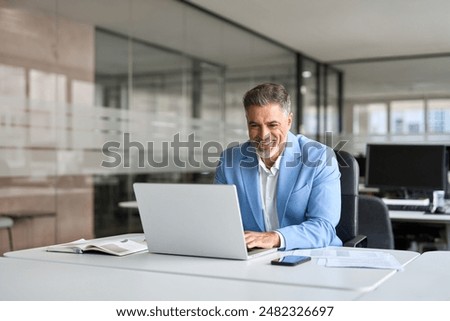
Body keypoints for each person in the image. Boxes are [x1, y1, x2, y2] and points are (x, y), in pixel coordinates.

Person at [214, 83, 342, 250]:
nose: (263, 135)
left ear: (288, 121)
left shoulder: (319, 158)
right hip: (252, 258)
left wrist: (275, 238)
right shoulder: (230, 160)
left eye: (272, 125)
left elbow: (324, 227)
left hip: (311, 256)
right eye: (254, 126)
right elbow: (218, 221)